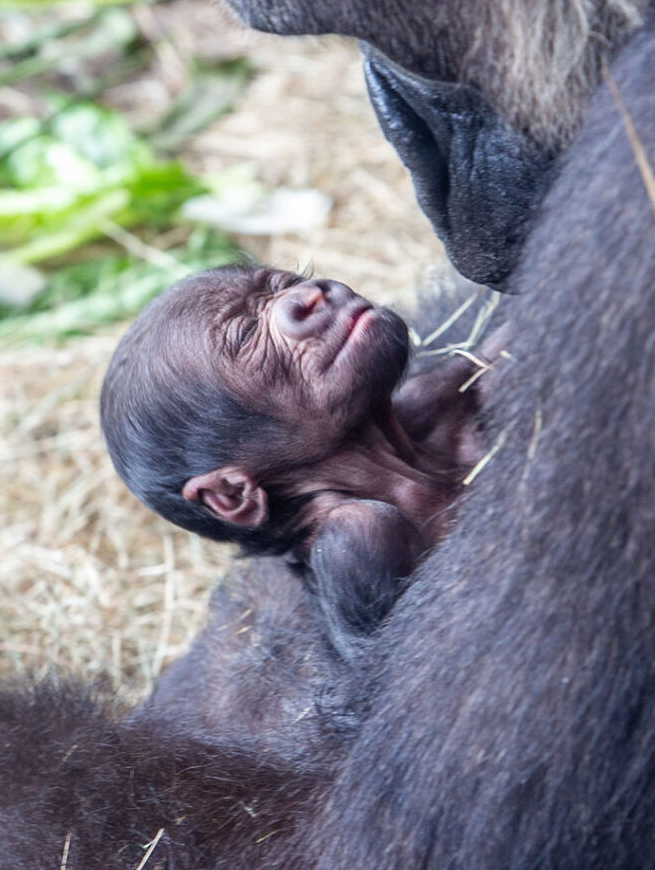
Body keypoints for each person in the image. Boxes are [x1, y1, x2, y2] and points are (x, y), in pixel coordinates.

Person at [99, 265, 488, 656]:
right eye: (246, 335)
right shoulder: (363, 539)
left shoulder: (437, 398)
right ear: (233, 494)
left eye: (289, 283)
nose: (310, 295)